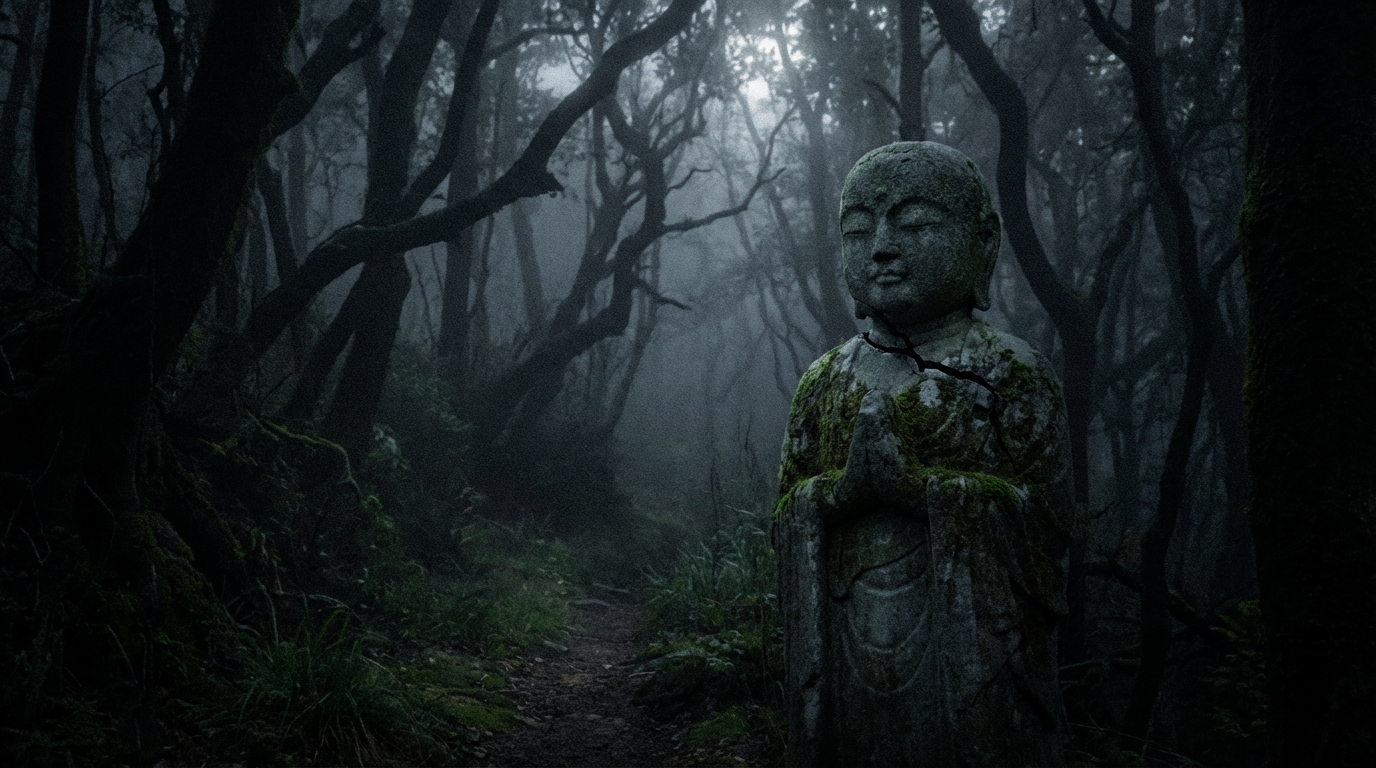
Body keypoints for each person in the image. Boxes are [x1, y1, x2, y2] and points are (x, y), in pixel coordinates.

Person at [776, 142, 1071, 767]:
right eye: (859, 229)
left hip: (971, 673)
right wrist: (836, 494)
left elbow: (1048, 522)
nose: (881, 246)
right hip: (845, 662)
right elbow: (786, 518)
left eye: (913, 224)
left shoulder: (1009, 371)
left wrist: (919, 490)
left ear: (983, 243)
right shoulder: (825, 382)